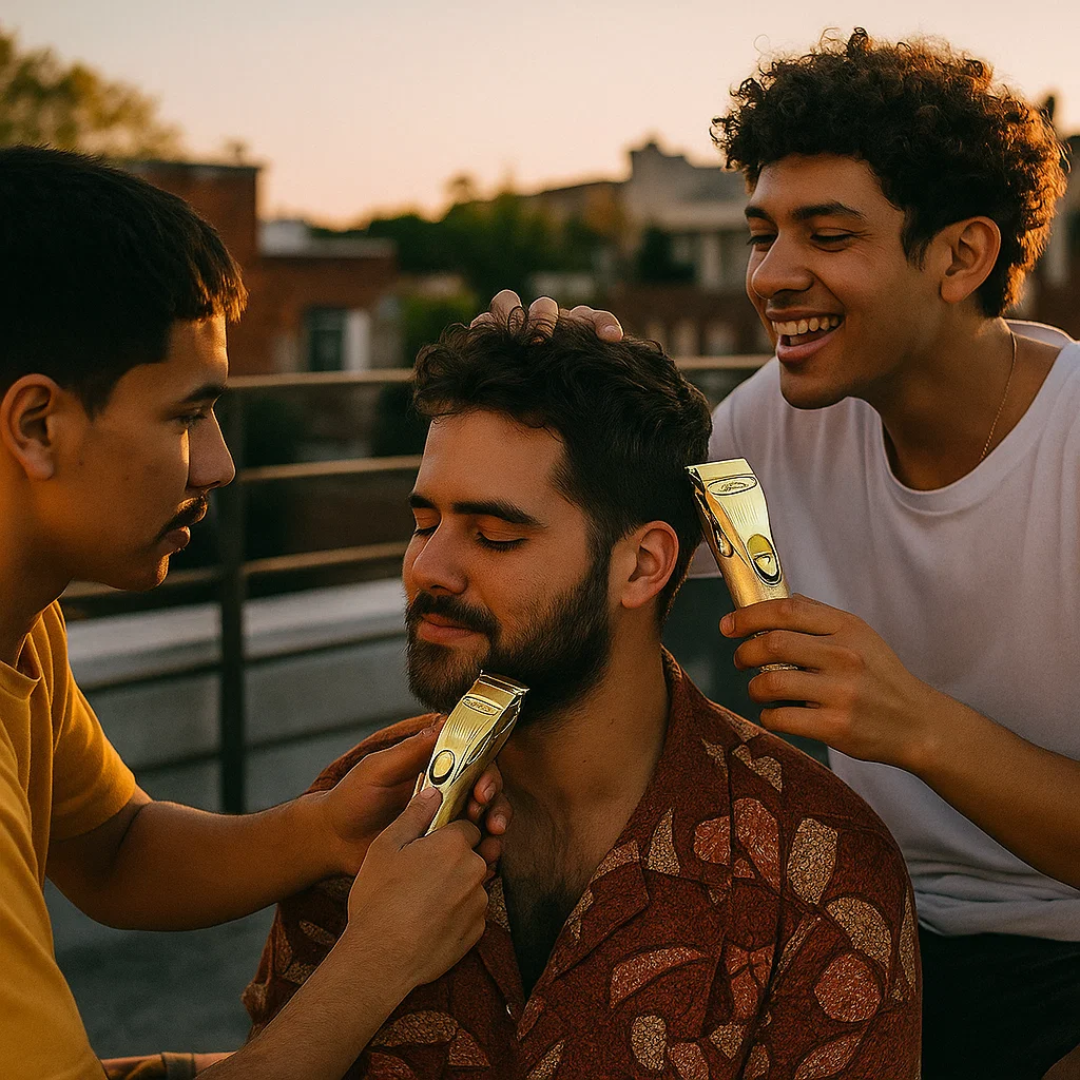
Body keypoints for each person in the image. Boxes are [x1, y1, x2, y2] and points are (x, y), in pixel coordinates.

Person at [512, 27, 1080, 1080]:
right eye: (761, 234)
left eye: (827, 235)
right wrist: (560, 398)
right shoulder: (765, 429)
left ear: (962, 256)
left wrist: (918, 726)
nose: (771, 277)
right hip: (861, 923)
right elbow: (591, 565)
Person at [244, 316, 921, 1079]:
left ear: (642, 566)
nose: (428, 568)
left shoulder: (819, 873)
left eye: (496, 535)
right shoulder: (356, 812)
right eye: (423, 521)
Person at [0, 146, 510, 1080]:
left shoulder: (21, 622)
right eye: (188, 415)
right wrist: (381, 956)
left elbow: (112, 850)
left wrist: (321, 831)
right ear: (36, 425)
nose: (219, 464)